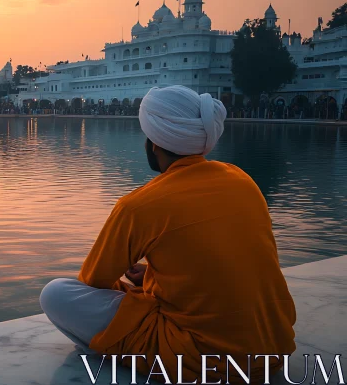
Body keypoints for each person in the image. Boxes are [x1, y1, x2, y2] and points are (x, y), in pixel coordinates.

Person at [40, 86, 296, 382]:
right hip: (274, 350)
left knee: (56, 294)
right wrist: (152, 275)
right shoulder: (243, 181)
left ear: (154, 143)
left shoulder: (139, 205)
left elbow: (93, 282)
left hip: (205, 359)